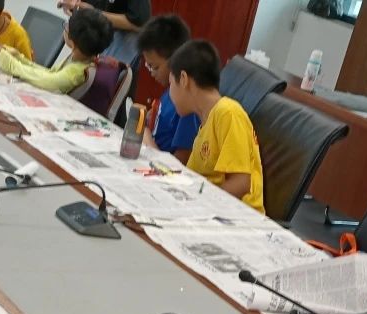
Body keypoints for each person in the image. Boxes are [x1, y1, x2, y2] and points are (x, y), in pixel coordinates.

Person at [166, 40, 264, 214]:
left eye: (171, 84)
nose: (169, 92)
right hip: (212, 209)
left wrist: (200, 203)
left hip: (237, 215)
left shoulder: (228, 113)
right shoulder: (205, 120)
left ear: (184, 79)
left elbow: (241, 183)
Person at [0, 7, 110, 95]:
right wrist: (19, 58)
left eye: (67, 26)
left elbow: (46, 80)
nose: (65, 27)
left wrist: (11, 64)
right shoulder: (81, 58)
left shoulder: (76, 73)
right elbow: (51, 73)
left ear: (73, 43)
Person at [136, 15, 198, 162]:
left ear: (176, 60)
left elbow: (178, 164)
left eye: (155, 67)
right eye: (148, 66)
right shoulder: (170, 91)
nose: (151, 72)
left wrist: (144, 133)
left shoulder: (187, 105)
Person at [59, 0, 149, 72]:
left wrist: (94, 14)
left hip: (117, 47)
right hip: (90, 49)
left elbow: (140, 23)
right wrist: (71, 5)